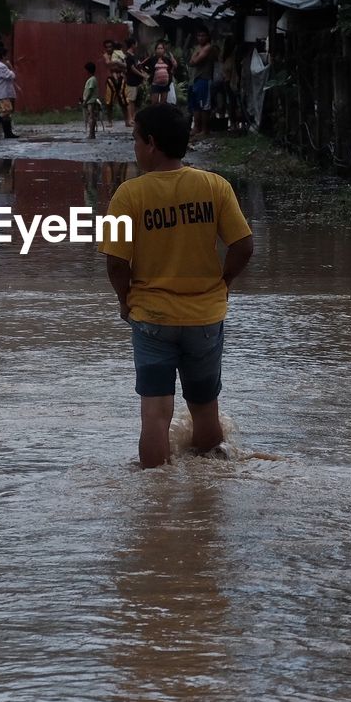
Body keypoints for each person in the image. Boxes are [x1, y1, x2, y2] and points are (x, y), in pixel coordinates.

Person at [98, 103, 254, 468]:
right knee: (204, 409)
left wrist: (125, 301)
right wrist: (224, 282)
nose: (133, 147)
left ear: (151, 143)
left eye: (135, 140)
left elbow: (116, 261)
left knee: (155, 413)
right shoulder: (215, 186)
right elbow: (243, 245)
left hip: (152, 318)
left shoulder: (128, 194)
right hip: (205, 317)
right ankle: (208, 488)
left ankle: (154, 496)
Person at [187, 27, 217, 138]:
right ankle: (197, 127)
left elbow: (195, 61)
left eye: (203, 35)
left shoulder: (208, 48)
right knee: (196, 106)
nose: (200, 38)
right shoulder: (198, 48)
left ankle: (205, 130)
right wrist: (195, 56)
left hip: (205, 79)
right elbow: (191, 62)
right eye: (199, 35)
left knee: (204, 106)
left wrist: (195, 56)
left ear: (207, 36)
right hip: (196, 79)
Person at [124, 36, 147, 126]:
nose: (137, 45)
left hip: (137, 81)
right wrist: (142, 75)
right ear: (133, 44)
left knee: (136, 100)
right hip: (131, 81)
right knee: (131, 100)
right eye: (136, 43)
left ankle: (133, 118)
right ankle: (130, 119)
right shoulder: (129, 56)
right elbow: (132, 68)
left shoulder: (134, 56)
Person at [104, 57, 129, 126]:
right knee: (109, 101)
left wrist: (117, 63)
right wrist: (116, 63)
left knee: (124, 100)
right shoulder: (107, 55)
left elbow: (125, 66)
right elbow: (108, 64)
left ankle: (127, 121)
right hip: (111, 79)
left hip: (121, 78)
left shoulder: (121, 54)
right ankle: (109, 121)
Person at [149, 41, 174, 106]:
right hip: (155, 84)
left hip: (165, 84)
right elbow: (142, 65)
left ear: (164, 50)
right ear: (155, 50)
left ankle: (161, 116)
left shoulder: (167, 59)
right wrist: (148, 73)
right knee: (154, 104)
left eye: (161, 48)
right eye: (158, 48)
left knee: (163, 105)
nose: (160, 50)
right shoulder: (152, 59)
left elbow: (173, 66)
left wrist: (169, 75)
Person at [81, 61, 101, 139]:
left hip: (91, 101)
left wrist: (85, 101)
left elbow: (90, 91)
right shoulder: (91, 79)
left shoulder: (92, 79)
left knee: (91, 117)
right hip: (90, 101)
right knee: (90, 117)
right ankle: (91, 133)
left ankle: (91, 134)